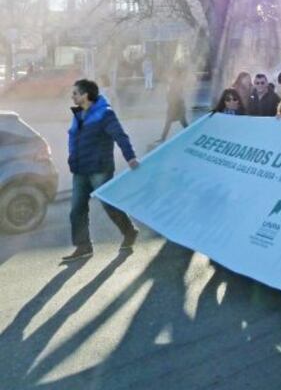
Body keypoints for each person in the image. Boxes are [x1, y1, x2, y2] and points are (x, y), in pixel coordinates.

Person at [62, 79, 141, 263]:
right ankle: (83, 247)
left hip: (99, 168)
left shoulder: (105, 115)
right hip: (80, 169)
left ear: (85, 95)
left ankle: (129, 232)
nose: (72, 96)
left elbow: (120, 136)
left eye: (75, 93)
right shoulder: (79, 114)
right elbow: (74, 140)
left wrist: (130, 157)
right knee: (76, 209)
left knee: (108, 205)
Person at [159, 69, 188, 141]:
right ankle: (163, 137)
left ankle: (163, 138)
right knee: (180, 122)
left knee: (179, 122)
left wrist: (171, 102)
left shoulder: (175, 83)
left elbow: (175, 94)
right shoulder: (175, 82)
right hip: (176, 105)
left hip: (176, 106)